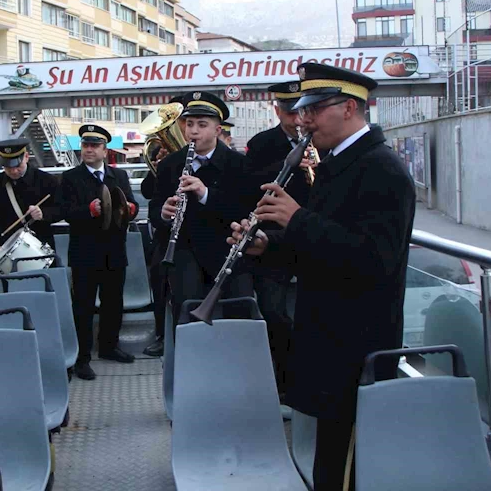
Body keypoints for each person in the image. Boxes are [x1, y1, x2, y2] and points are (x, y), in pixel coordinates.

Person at [229, 63, 416, 491]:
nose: (303, 119)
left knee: (347, 466)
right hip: (332, 340)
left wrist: (296, 220)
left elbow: (374, 261)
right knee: (329, 462)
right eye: (299, 109)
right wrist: (267, 246)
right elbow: (320, 251)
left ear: (350, 107)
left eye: (314, 108)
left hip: (358, 345)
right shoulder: (340, 164)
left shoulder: (381, 170)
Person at [149, 91, 253, 330]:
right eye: (189, 124)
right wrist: (163, 214)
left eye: (202, 125)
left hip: (227, 254)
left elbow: (244, 209)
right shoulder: (170, 164)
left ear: (218, 131)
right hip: (186, 254)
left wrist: (205, 194)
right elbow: (155, 207)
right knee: (186, 318)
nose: (193, 131)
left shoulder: (239, 164)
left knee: (238, 318)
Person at [243, 81, 315, 399]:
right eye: (288, 111)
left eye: (300, 111)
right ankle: (282, 385)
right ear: (277, 110)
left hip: (310, 237)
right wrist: (288, 165)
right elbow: (247, 184)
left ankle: (306, 381)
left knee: (310, 315)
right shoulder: (262, 144)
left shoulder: (320, 141)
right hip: (273, 240)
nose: (295, 119)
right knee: (274, 313)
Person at [57, 125, 139, 380]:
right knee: (82, 304)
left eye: (94, 145)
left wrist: (131, 208)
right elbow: (65, 212)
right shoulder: (70, 177)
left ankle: (108, 347)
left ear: (105, 150)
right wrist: (88, 211)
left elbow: (129, 202)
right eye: (85, 145)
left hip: (114, 248)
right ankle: (81, 357)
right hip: (85, 250)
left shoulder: (119, 176)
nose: (89, 150)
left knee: (113, 301)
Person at [141, 94, 185, 357]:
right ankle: (161, 334)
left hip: (194, 232)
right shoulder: (162, 154)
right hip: (166, 233)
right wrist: (157, 167)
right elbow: (148, 192)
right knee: (160, 281)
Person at [0, 138, 61, 266]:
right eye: (8, 167)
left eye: (17, 166)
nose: (14, 171)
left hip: (41, 247)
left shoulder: (46, 180)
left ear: (26, 157)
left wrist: (43, 213)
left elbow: (61, 210)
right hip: (6, 249)